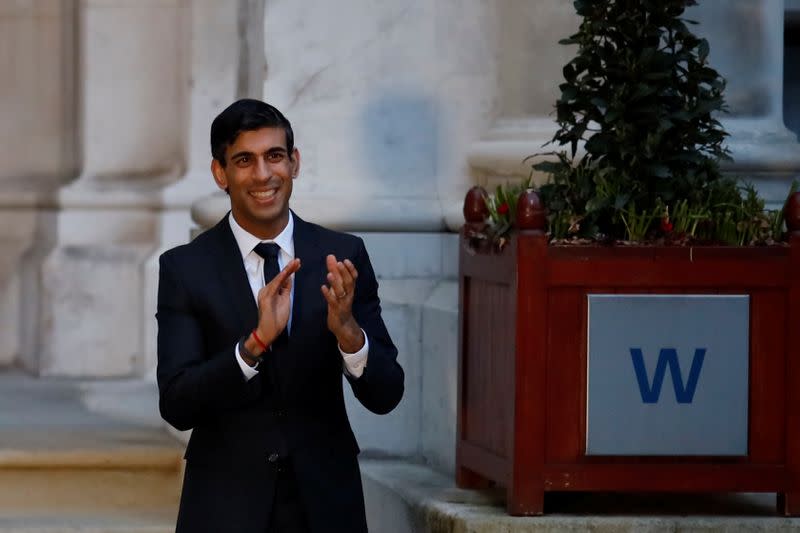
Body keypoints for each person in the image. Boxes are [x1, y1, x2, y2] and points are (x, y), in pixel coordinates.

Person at [156, 98, 404, 532]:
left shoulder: (343, 255)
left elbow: (386, 394)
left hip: (326, 504)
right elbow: (178, 404)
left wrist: (349, 334)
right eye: (244, 160)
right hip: (224, 506)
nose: (264, 174)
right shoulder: (184, 269)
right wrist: (252, 346)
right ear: (221, 174)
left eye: (275, 156)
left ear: (295, 163)